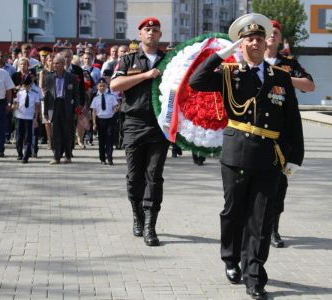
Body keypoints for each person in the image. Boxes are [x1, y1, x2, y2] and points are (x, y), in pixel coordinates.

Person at [189, 13, 304, 300]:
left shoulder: (281, 78)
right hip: (236, 156)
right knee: (233, 212)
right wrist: (222, 54)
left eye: (259, 38)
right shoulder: (231, 73)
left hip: (270, 158)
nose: (254, 42)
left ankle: (255, 277)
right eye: (248, 38)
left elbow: (292, 120)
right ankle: (230, 258)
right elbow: (196, 81)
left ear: (267, 43)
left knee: (261, 219)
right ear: (242, 44)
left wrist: (295, 158)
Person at [110, 17, 169, 247]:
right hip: (134, 122)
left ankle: (150, 226)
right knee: (135, 176)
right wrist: (145, 75)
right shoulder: (128, 59)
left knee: (154, 176)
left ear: (160, 34)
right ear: (140, 34)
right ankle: (137, 214)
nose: (151, 33)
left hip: (159, 125)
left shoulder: (169, 60)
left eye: (155, 30)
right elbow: (115, 85)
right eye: (147, 30)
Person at [264, 19, 315, 248]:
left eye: (276, 32)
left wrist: (283, 78)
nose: (272, 35)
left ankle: (273, 229)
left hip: (282, 132)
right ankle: (256, 226)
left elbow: (309, 85)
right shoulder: (250, 60)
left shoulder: (288, 63)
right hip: (255, 131)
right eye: (268, 32)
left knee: (279, 182)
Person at [42, 53, 79, 165]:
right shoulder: (49, 77)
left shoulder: (71, 77)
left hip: (67, 106)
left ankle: (68, 156)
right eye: (53, 63)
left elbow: (76, 95)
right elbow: (47, 95)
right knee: (55, 133)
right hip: (54, 105)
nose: (54, 65)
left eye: (57, 63)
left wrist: (76, 109)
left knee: (67, 132)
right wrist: (46, 112)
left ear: (63, 64)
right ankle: (56, 157)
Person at [13, 76, 40, 163]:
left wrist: (36, 119)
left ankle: (26, 156)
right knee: (19, 137)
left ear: (31, 85)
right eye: (24, 85)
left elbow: (36, 107)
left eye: (28, 85)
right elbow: (16, 103)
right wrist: (15, 106)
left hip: (29, 118)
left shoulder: (35, 93)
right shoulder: (19, 93)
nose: (26, 87)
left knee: (28, 137)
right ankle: (20, 153)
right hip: (20, 117)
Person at [91, 78, 118, 165]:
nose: (102, 87)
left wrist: (116, 109)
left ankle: (110, 158)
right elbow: (94, 111)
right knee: (101, 140)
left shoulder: (111, 97)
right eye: (100, 86)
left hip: (110, 119)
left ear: (107, 86)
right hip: (100, 120)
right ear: (97, 87)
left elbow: (114, 107)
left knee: (109, 139)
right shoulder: (95, 98)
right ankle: (102, 158)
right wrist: (94, 123)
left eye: (104, 86)